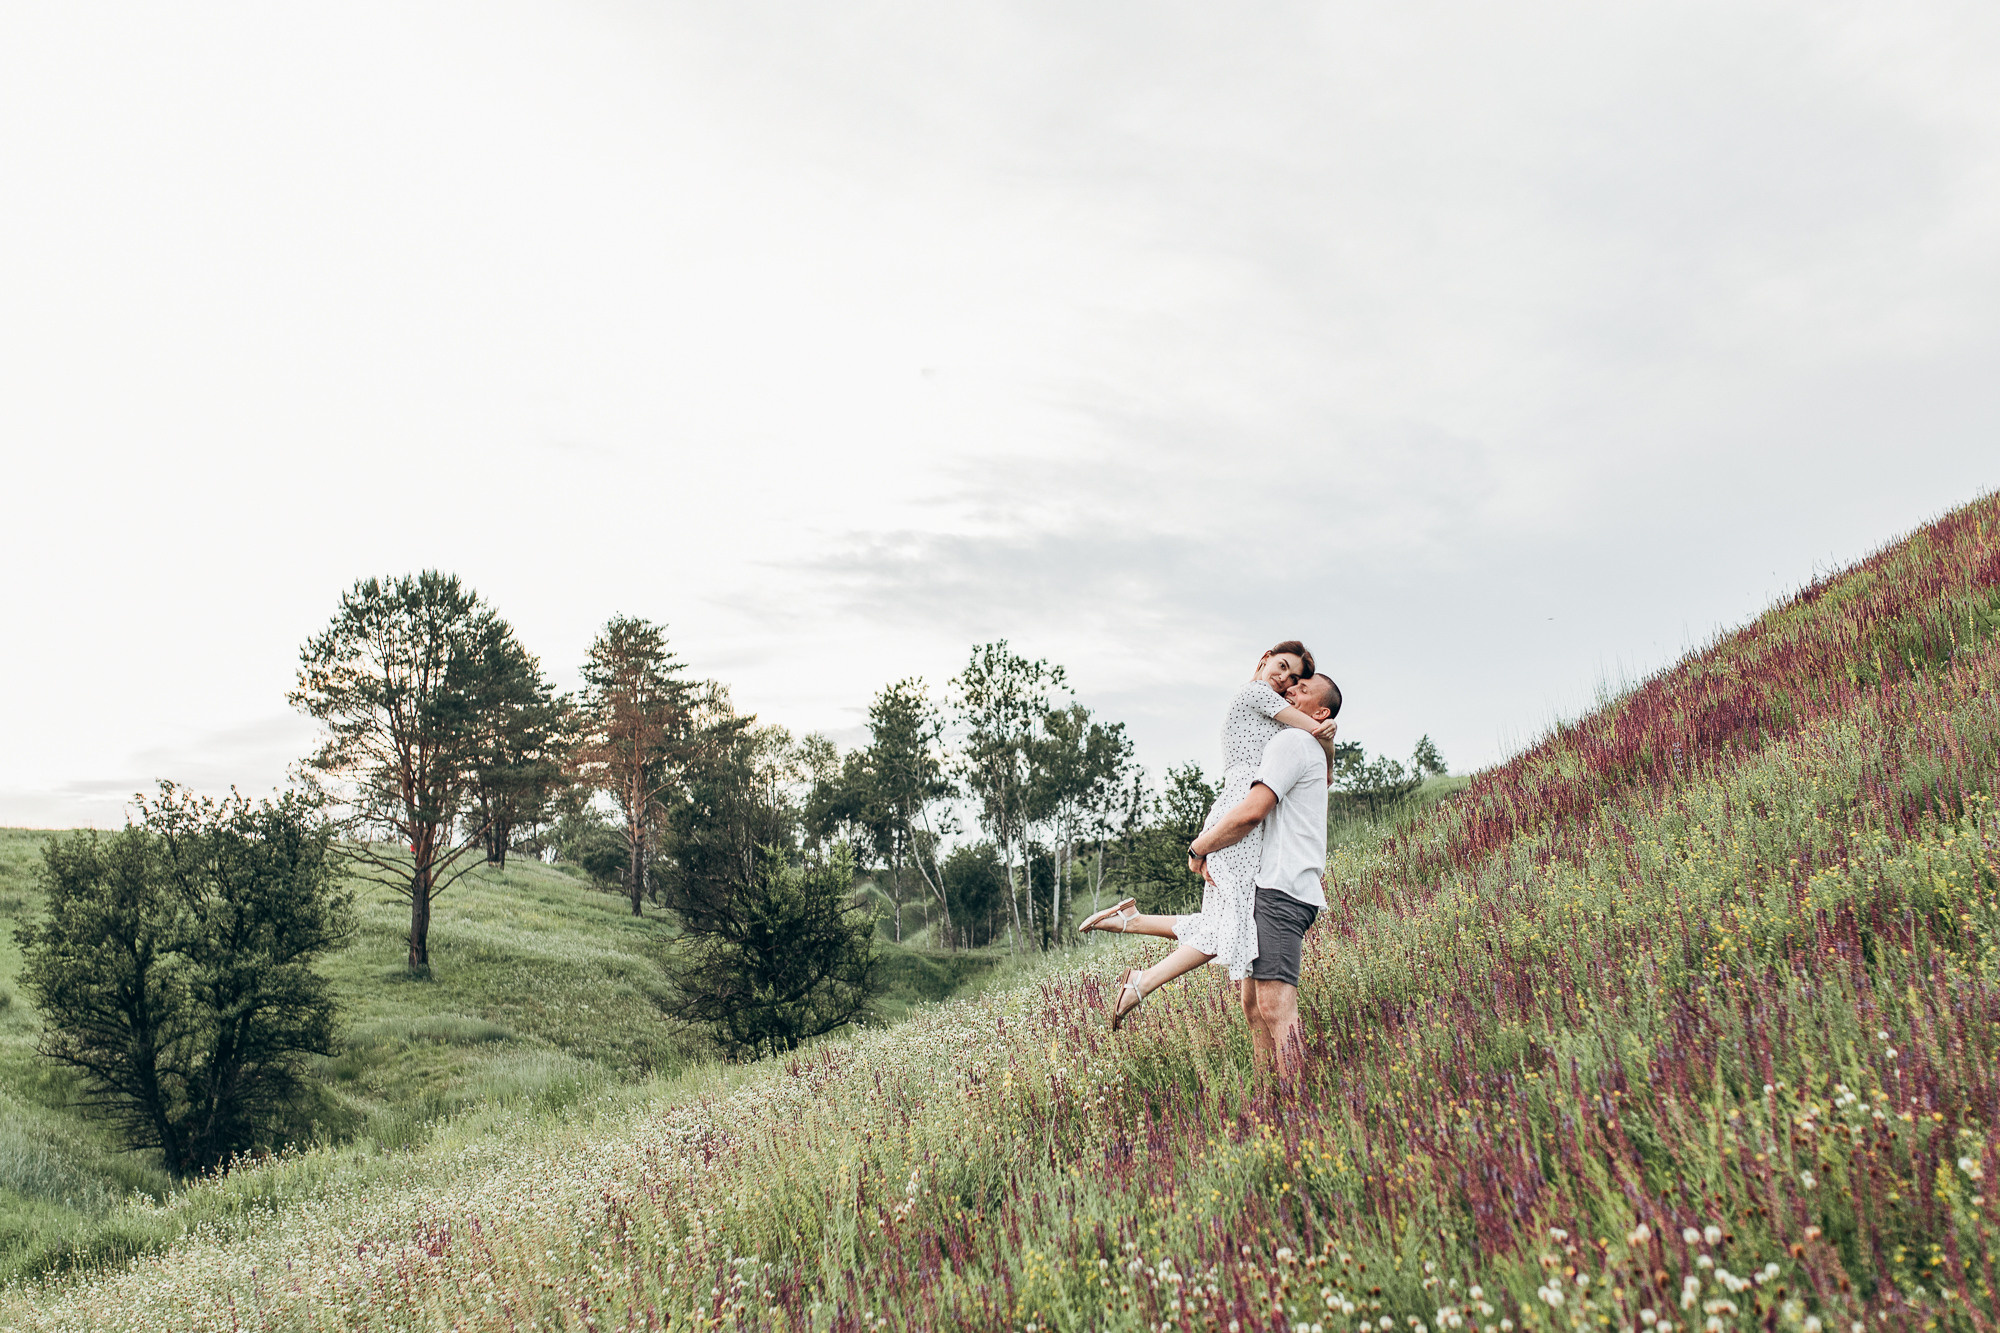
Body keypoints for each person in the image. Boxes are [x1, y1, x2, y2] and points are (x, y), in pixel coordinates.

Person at [1079, 649, 1340, 1030]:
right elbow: (1315, 733)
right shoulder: (1256, 694)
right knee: (1227, 925)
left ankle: (1132, 925)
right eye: (1283, 669)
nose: (1286, 683)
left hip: (1240, 808)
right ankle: (1140, 978)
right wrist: (1328, 734)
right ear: (1264, 658)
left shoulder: (1283, 725)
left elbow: (1322, 766)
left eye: (1296, 680)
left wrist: (1326, 738)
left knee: (1228, 921)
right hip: (1239, 808)